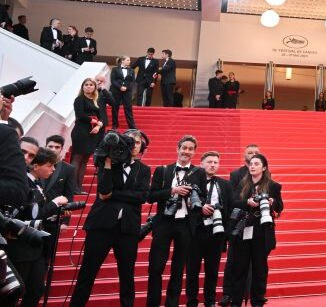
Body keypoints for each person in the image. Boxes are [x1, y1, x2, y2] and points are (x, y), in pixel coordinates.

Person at [70, 130, 151, 307]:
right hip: (101, 225)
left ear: (142, 146)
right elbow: (104, 191)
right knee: (87, 274)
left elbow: (142, 197)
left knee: (127, 276)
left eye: (137, 143)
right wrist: (107, 161)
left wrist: (114, 194)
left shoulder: (144, 170)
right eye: (129, 141)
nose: (133, 145)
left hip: (128, 229)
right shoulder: (107, 162)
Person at [147, 136, 207, 307]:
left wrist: (191, 200)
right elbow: (150, 196)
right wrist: (172, 190)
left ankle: (171, 304)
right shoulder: (163, 170)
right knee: (156, 267)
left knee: (178, 269)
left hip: (186, 224)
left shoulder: (200, 173)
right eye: (184, 148)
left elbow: (202, 197)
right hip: (163, 223)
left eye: (190, 149)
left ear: (194, 152)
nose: (186, 152)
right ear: (177, 148)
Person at [220, 154, 284, 307]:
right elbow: (234, 202)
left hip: (262, 230)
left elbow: (280, 207)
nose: (252, 166)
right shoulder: (242, 184)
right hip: (243, 228)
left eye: (256, 163)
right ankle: (236, 301)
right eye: (251, 164)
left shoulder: (273, 186)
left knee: (260, 268)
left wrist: (272, 202)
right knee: (238, 267)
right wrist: (247, 202)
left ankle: (257, 301)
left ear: (264, 167)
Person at [13, 146, 70, 306]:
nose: (53, 169)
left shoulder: (37, 184)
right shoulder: (23, 184)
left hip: (37, 247)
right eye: (49, 165)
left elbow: (40, 214)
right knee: (18, 289)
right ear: (35, 166)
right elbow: (31, 214)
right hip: (21, 246)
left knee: (37, 288)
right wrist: (54, 203)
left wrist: (56, 213)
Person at [185, 151, 235, 307]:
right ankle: (192, 302)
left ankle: (210, 302)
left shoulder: (225, 184)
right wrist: (199, 208)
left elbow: (230, 209)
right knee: (192, 270)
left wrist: (226, 234)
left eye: (215, 162)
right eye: (209, 162)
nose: (213, 165)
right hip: (194, 232)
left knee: (212, 271)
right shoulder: (190, 181)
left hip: (216, 233)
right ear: (201, 164)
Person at [70, 78, 106, 191]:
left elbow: (102, 115)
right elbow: (80, 115)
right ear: (82, 87)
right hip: (81, 131)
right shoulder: (79, 99)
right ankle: (73, 187)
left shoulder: (96, 100)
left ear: (95, 87)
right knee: (77, 158)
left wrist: (99, 125)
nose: (89, 86)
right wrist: (93, 121)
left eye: (91, 85)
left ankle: (79, 187)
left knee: (85, 160)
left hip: (93, 132)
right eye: (86, 84)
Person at [44, 135, 79, 199]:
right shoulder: (35, 164)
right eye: (50, 146)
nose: (53, 150)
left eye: (57, 147)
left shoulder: (69, 169)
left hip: (56, 207)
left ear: (61, 149)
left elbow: (69, 195)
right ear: (45, 147)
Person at [110, 55, 137, 130]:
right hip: (116, 90)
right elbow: (113, 80)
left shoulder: (131, 70)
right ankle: (115, 124)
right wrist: (120, 87)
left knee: (128, 107)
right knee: (115, 107)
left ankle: (131, 125)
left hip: (127, 91)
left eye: (129, 60)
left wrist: (127, 87)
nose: (129, 61)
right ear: (122, 61)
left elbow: (132, 81)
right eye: (128, 60)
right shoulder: (115, 69)